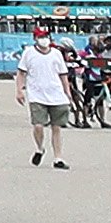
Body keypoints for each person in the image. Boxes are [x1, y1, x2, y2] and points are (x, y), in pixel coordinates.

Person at [18, 29, 78, 169]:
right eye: (41, 37)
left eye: (46, 36)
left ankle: (58, 158)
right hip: (37, 94)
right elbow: (21, 72)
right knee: (38, 125)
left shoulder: (56, 54)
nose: (44, 39)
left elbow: (63, 74)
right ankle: (39, 148)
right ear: (35, 38)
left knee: (56, 127)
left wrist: (67, 92)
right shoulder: (29, 53)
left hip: (56, 94)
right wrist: (19, 90)